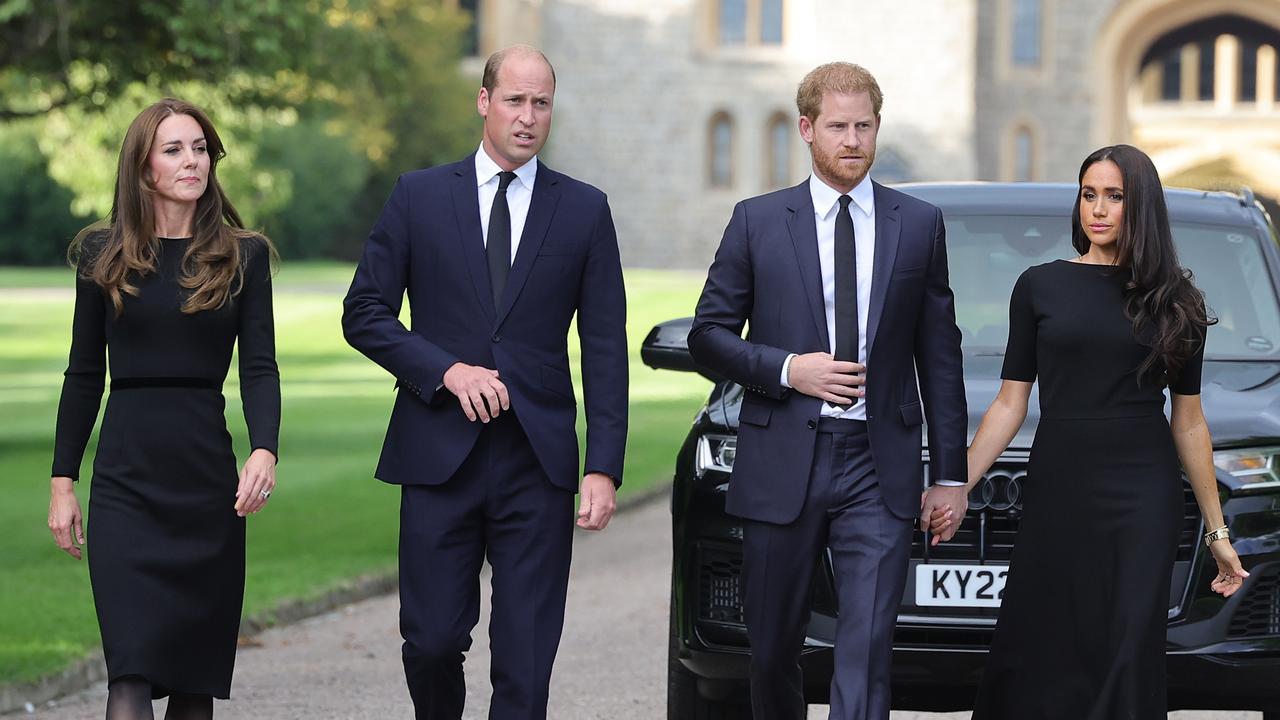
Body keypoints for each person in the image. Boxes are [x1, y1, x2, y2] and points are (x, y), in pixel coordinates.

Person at [341, 45, 627, 720]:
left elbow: (606, 348)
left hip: (539, 461)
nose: (528, 117)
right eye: (515, 101)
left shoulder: (585, 210)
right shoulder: (419, 196)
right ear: (484, 101)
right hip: (438, 455)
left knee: (525, 663)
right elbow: (364, 313)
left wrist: (604, 467)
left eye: (541, 103)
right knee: (433, 642)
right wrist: (444, 369)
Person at [687, 62, 969, 720]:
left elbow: (939, 353)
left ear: (877, 128)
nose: (852, 140)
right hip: (783, 456)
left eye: (864, 126)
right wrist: (790, 370)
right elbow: (709, 336)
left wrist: (950, 473)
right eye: (838, 126)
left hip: (880, 464)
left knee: (866, 648)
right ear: (807, 130)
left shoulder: (919, 224)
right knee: (773, 646)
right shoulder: (756, 221)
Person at [953, 144, 1248, 718]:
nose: (1099, 209)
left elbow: (1188, 421)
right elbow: (1011, 403)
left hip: (1142, 496)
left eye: (1115, 196)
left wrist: (1218, 534)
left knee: (1128, 645)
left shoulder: (1177, 303)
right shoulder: (1039, 286)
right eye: (1090, 194)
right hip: (1059, 487)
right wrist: (957, 484)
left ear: (1141, 207)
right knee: (1044, 641)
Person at [46, 98, 280, 720]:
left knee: (193, 681)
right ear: (143, 166)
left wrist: (264, 447)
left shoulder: (244, 256)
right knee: (130, 670)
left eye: (200, 148)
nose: (192, 162)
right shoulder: (102, 255)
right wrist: (62, 481)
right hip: (126, 481)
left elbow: (259, 365)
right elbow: (83, 373)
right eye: (174, 149)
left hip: (205, 483)